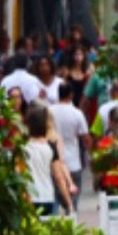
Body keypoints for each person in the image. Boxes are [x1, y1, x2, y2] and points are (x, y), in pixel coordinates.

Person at [50, 83, 92, 212]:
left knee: (55, 196)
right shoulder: (77, 113)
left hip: (54, 161)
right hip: (73, 162)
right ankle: (72, 220)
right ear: (71, 95)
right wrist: (92, 154)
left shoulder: (49, 111)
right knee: (73, 200)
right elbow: (85, 137)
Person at [23, 104, 61, 216]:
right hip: (48, 195)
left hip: (30, 196)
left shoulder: (23, 148)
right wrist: (69, 203)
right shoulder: (50, 146)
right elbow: (58, 176)